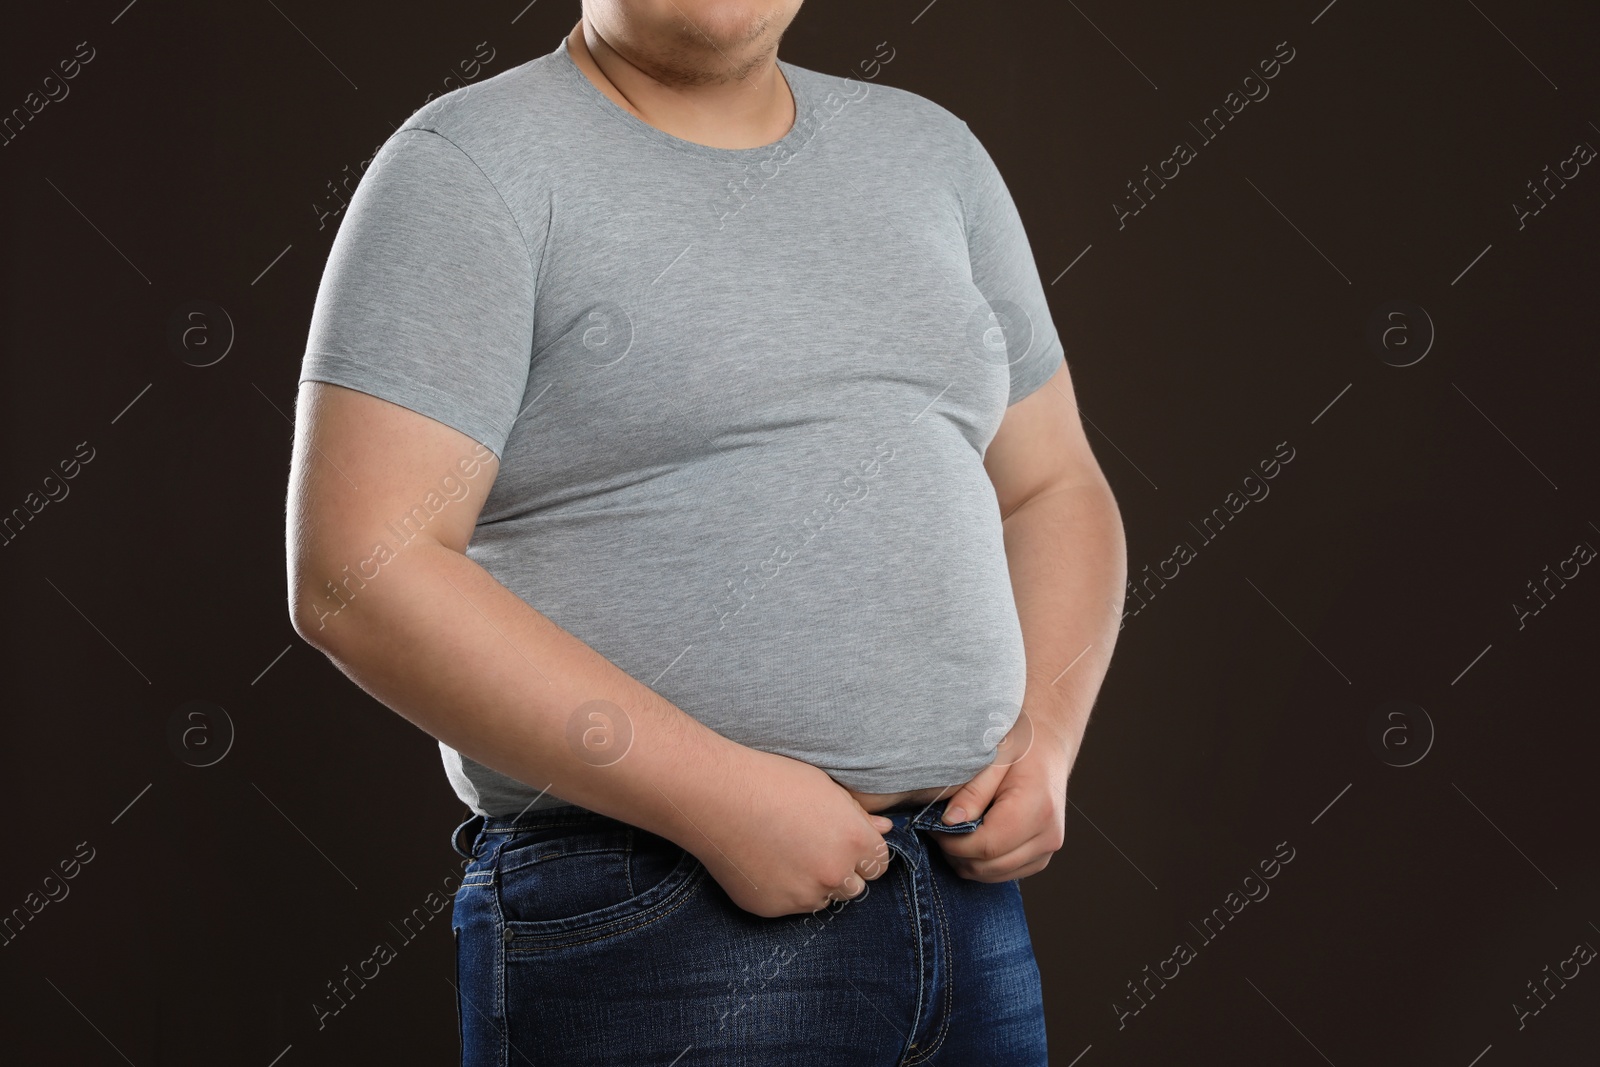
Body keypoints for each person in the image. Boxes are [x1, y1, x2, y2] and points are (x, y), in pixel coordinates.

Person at [285, 3, 1126, 1063]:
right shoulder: (467, 166)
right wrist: (717, 798)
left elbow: (1052, 482)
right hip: (646, 902)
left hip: (962, 908)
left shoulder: (930, 154)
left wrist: (1044, 739)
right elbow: (357, 572)